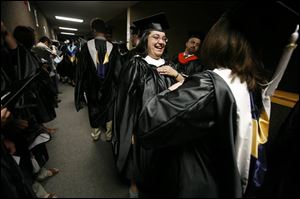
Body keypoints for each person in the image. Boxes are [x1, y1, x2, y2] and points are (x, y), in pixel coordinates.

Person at [136, 1, 298, 197]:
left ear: (219, 38)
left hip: (193, 184)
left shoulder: (211, 85)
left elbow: (148, 125)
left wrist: (175, 88)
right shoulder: (251, 87)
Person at [112, 12, 184, 198]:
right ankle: (135, 186)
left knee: (162, 162)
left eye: (164, 38)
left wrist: (176, 75)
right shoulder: (136, 65)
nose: (161, 41)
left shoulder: (170, 65)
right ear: (145, 39)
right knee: (140, 160)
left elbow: (187, 90)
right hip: (143, 126)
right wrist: (131, 131)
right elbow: (125, 101)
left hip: (167, 125)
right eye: (156, 37)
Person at [75, 18, 122, 141]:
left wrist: (81, 88)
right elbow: (118, 71)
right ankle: (109, 134)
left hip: (92, 86)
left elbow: (81, 70)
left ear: (94, 30)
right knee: (109, 109)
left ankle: (95, 134)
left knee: (93, 109)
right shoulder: (113, 47)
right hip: (109, 86)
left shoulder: (86, 47)